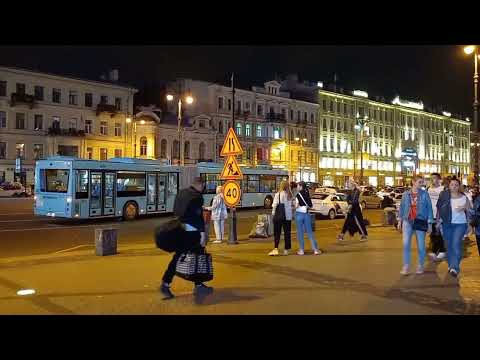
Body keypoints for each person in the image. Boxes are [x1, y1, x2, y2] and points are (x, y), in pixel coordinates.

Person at [160, 177, 213, 299]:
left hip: (180, 229)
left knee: (179, 257)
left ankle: (168, 283)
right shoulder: (197, 197)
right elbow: (198, 217)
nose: (203, 188)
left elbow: (176, 211)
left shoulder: (181, 193)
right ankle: (168, 283)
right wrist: (202, 234)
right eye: (203, 186)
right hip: (192, 233)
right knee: (199, 257)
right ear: (200, 185)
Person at [436, 178, 472, 278]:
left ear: (459, 186)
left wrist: (469, 223)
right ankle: (451, 264)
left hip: (460, 224)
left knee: (456, 244)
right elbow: (439, 209)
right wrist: (438, 221)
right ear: (449, 186)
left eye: (456, 185)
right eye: (452, 185)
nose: (454, 187)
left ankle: (455, 268)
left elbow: (470, 211)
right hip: (447, 223)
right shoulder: (444, 196)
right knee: (448, 245)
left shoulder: (464, 197)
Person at [398, 175, 433, 275]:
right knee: (406, 245)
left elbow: (429, 208)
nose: (421, 184)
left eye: (422, 182)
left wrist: (430, 223)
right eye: (419, 182)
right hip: (407, 221)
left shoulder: (424, 194)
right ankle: (406, 266)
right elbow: (402, 207)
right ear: (413, 182)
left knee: (421, 246)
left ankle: (420, 265)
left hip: (420, 221)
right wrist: (400, 221)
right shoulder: (406, 194)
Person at [295, 181, 321, 255]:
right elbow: (310, 205)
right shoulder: (307, 194)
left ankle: (301, 250)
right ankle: (315, 249)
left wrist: (295, 206)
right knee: (310, 232)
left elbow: (296, 206)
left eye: (298, 186)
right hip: (306, 214)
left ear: (301, 186)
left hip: (299, 214)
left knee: (300, 233)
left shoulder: (298, 195)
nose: (297, 187)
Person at [269, 180, 294, 256]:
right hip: (288, 217)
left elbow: (274, 205)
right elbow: (292, 205)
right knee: (287, 233)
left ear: (281, 186)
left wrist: (273, 214)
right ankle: (286, 250)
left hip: (279, 216)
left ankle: (276, 248)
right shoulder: (290, 194)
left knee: (277, 233)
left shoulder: (278, 194)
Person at [427, 172, 447, 262]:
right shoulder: (428, 189)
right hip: (430, 215)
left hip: (440, 215)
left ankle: (439, 250)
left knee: (438, 232)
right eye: (431, 178)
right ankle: (439, 250)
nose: (432, 180)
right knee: (433, 232)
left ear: (439, 179)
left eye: (434, 178)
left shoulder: (443, 189)